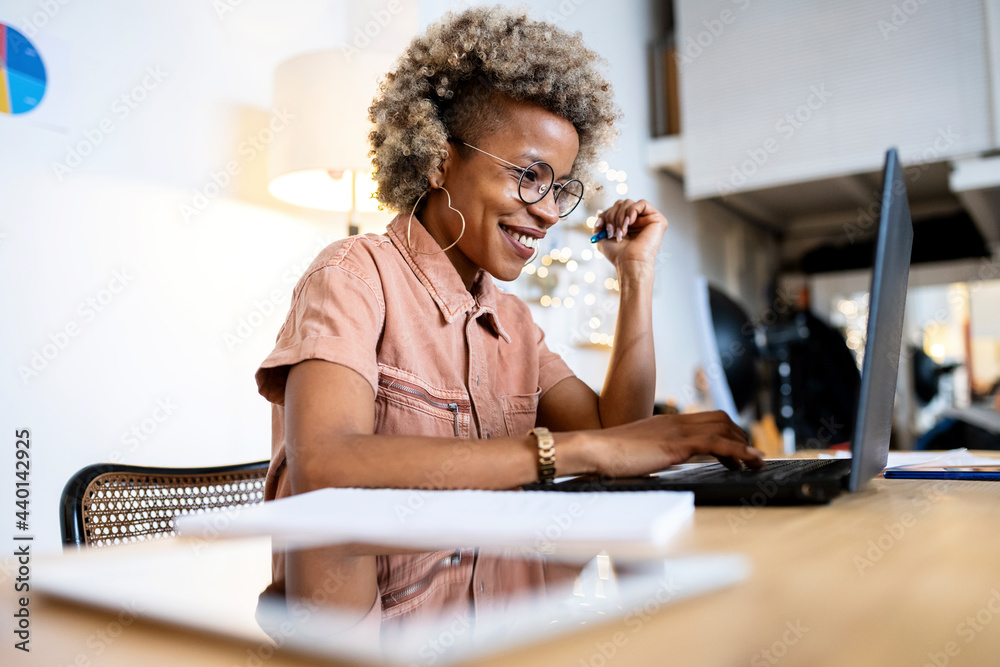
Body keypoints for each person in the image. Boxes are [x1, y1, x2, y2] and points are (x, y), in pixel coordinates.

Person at [254, 5, 763, 630]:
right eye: (529, 176)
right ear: (438, 161)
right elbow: (327, 465)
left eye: (561, 187)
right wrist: (569, 452)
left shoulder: (513, 323)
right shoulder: (354, 277)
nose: (549, 212)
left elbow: (618, 438)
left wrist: (635, 275)